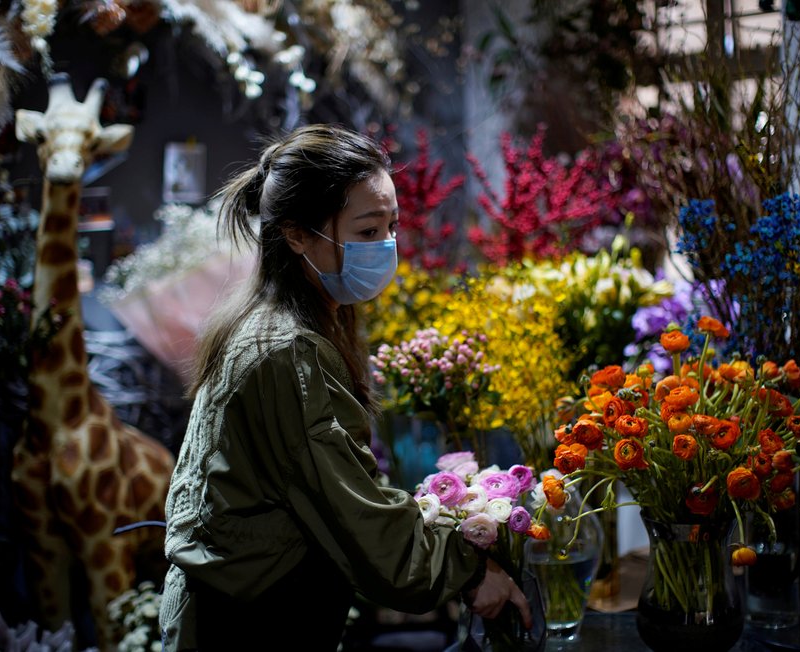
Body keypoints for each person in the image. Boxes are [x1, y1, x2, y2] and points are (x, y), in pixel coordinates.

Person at [159, 124, 531, 650]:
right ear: (297, 234)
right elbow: (353, 511)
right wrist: (466, 570)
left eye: (391, 226)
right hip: (250, 625)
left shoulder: (271, 323)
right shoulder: (287, 350)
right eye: (365, 231)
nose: (385, 246)